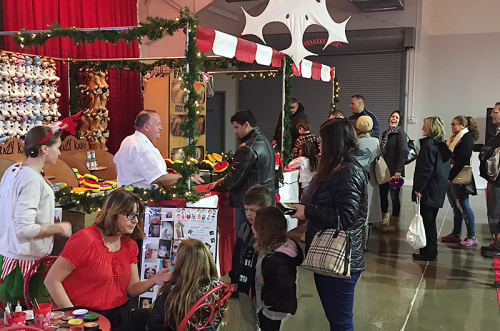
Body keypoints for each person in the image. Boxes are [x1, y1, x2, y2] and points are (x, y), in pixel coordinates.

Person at [44, 188, 171, 331]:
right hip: (87, 317)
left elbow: (132, 288)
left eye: (137, 215)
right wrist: (73, 317)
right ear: (113, 214)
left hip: (120, 315)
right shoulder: (85, 240)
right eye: (129, 215)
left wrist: (153, 280)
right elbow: (52, 280)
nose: (135, 220)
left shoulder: (129, 244)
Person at [292, 119, 367, 331]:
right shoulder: (332, 169)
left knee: (341, 322)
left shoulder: (347, 172)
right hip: (327, 253)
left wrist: (307, 211)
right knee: (336, 320)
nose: (319, 146)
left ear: (334, 142)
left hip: (341, 258)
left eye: (322, 141)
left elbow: (346, 216)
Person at [0, 126, 72, 307]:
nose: (60, 153)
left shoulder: (13, 171)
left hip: (10, 255)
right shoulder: (31, 180)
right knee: (30, 318)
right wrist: (59, 227)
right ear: (45, 149)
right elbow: (24, 228)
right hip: (25, 263)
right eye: (58, 147)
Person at [208, 110, 275, 234]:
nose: (235, 131)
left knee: (246, 240)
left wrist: (217, 185)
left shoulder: (247, 147)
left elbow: (234, 178)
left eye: (237, 127)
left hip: (251, 201)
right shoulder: (264, 140)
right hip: (265, 199)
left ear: (246, 124)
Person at [145, 238, 228, 331]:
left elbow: (154, 326)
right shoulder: (218, 291)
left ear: (182, 263)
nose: (175, 261)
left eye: (177, 257)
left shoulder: (170, 293)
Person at [114, 109, 203, 189]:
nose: (161, 128)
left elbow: (116, 163)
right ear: (146, 127)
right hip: (141, 198)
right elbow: (158, 178)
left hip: (126, 194)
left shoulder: (128, 140)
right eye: (158, 124)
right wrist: (186, 176)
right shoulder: (143, 147)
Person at [252, 207, 303, 331]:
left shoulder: (281, 257)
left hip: (273, 305)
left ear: (265, 230)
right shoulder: (269, 246)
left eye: (255, 225)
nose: (252, 227)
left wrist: (268, 300)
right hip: (265, 299)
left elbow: (284, 284)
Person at [229, 185, 272, 331]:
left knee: (264, 320)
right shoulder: (244, 228)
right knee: (248, 317)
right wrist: (234, 278)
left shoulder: (272, 232)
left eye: (253, 210)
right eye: (246, 209)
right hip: (244, 282)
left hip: (264, 288)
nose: (249, 214)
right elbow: (236, 254)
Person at [412, 116, 452, 262]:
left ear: (431, 128)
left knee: (427, 221)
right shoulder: (440, 145)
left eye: (425, 125)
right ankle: (429, 249)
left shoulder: (428, 145)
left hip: (429, 189)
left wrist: (419, 188)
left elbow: (425, 169)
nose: (422, 128)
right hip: (437, 188)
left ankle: (429, 252)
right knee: (430, 220)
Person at [441, 116, 479, 246]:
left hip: (459, 177)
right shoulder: (454, 138)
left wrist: (449, 177)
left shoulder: (466, 138)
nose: (451, 126)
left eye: (454, 124)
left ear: (462, 125)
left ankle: (472, 235)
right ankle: (456, 233)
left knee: (463, 205)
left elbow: (461, 160)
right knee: (455, 206)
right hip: (452, 174)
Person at [376, 111, 409, 232]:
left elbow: (404, 151)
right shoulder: (386, 133)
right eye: (392, 116)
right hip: (385, 170)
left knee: (394, 197)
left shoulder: (400, 133)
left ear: (399, 121)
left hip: (395, 171)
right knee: (383, 195)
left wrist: (399, 170)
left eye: (396, 117)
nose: (393, 118)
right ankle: (384, 219)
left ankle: (394, 222)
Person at [356, 116, 381, 250]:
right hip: (372, 179)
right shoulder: (375, 141)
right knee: (369, 209)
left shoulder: (355, 142)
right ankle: (366, 242)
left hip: (357, 178)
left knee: (358, 209)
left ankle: (359, 242)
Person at [480, 102, 500, 257]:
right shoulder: (497, 133)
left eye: (495, 112)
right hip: (494, 181)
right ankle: (496, 244)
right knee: (493, 214)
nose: (492, 115)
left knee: (497, 215)